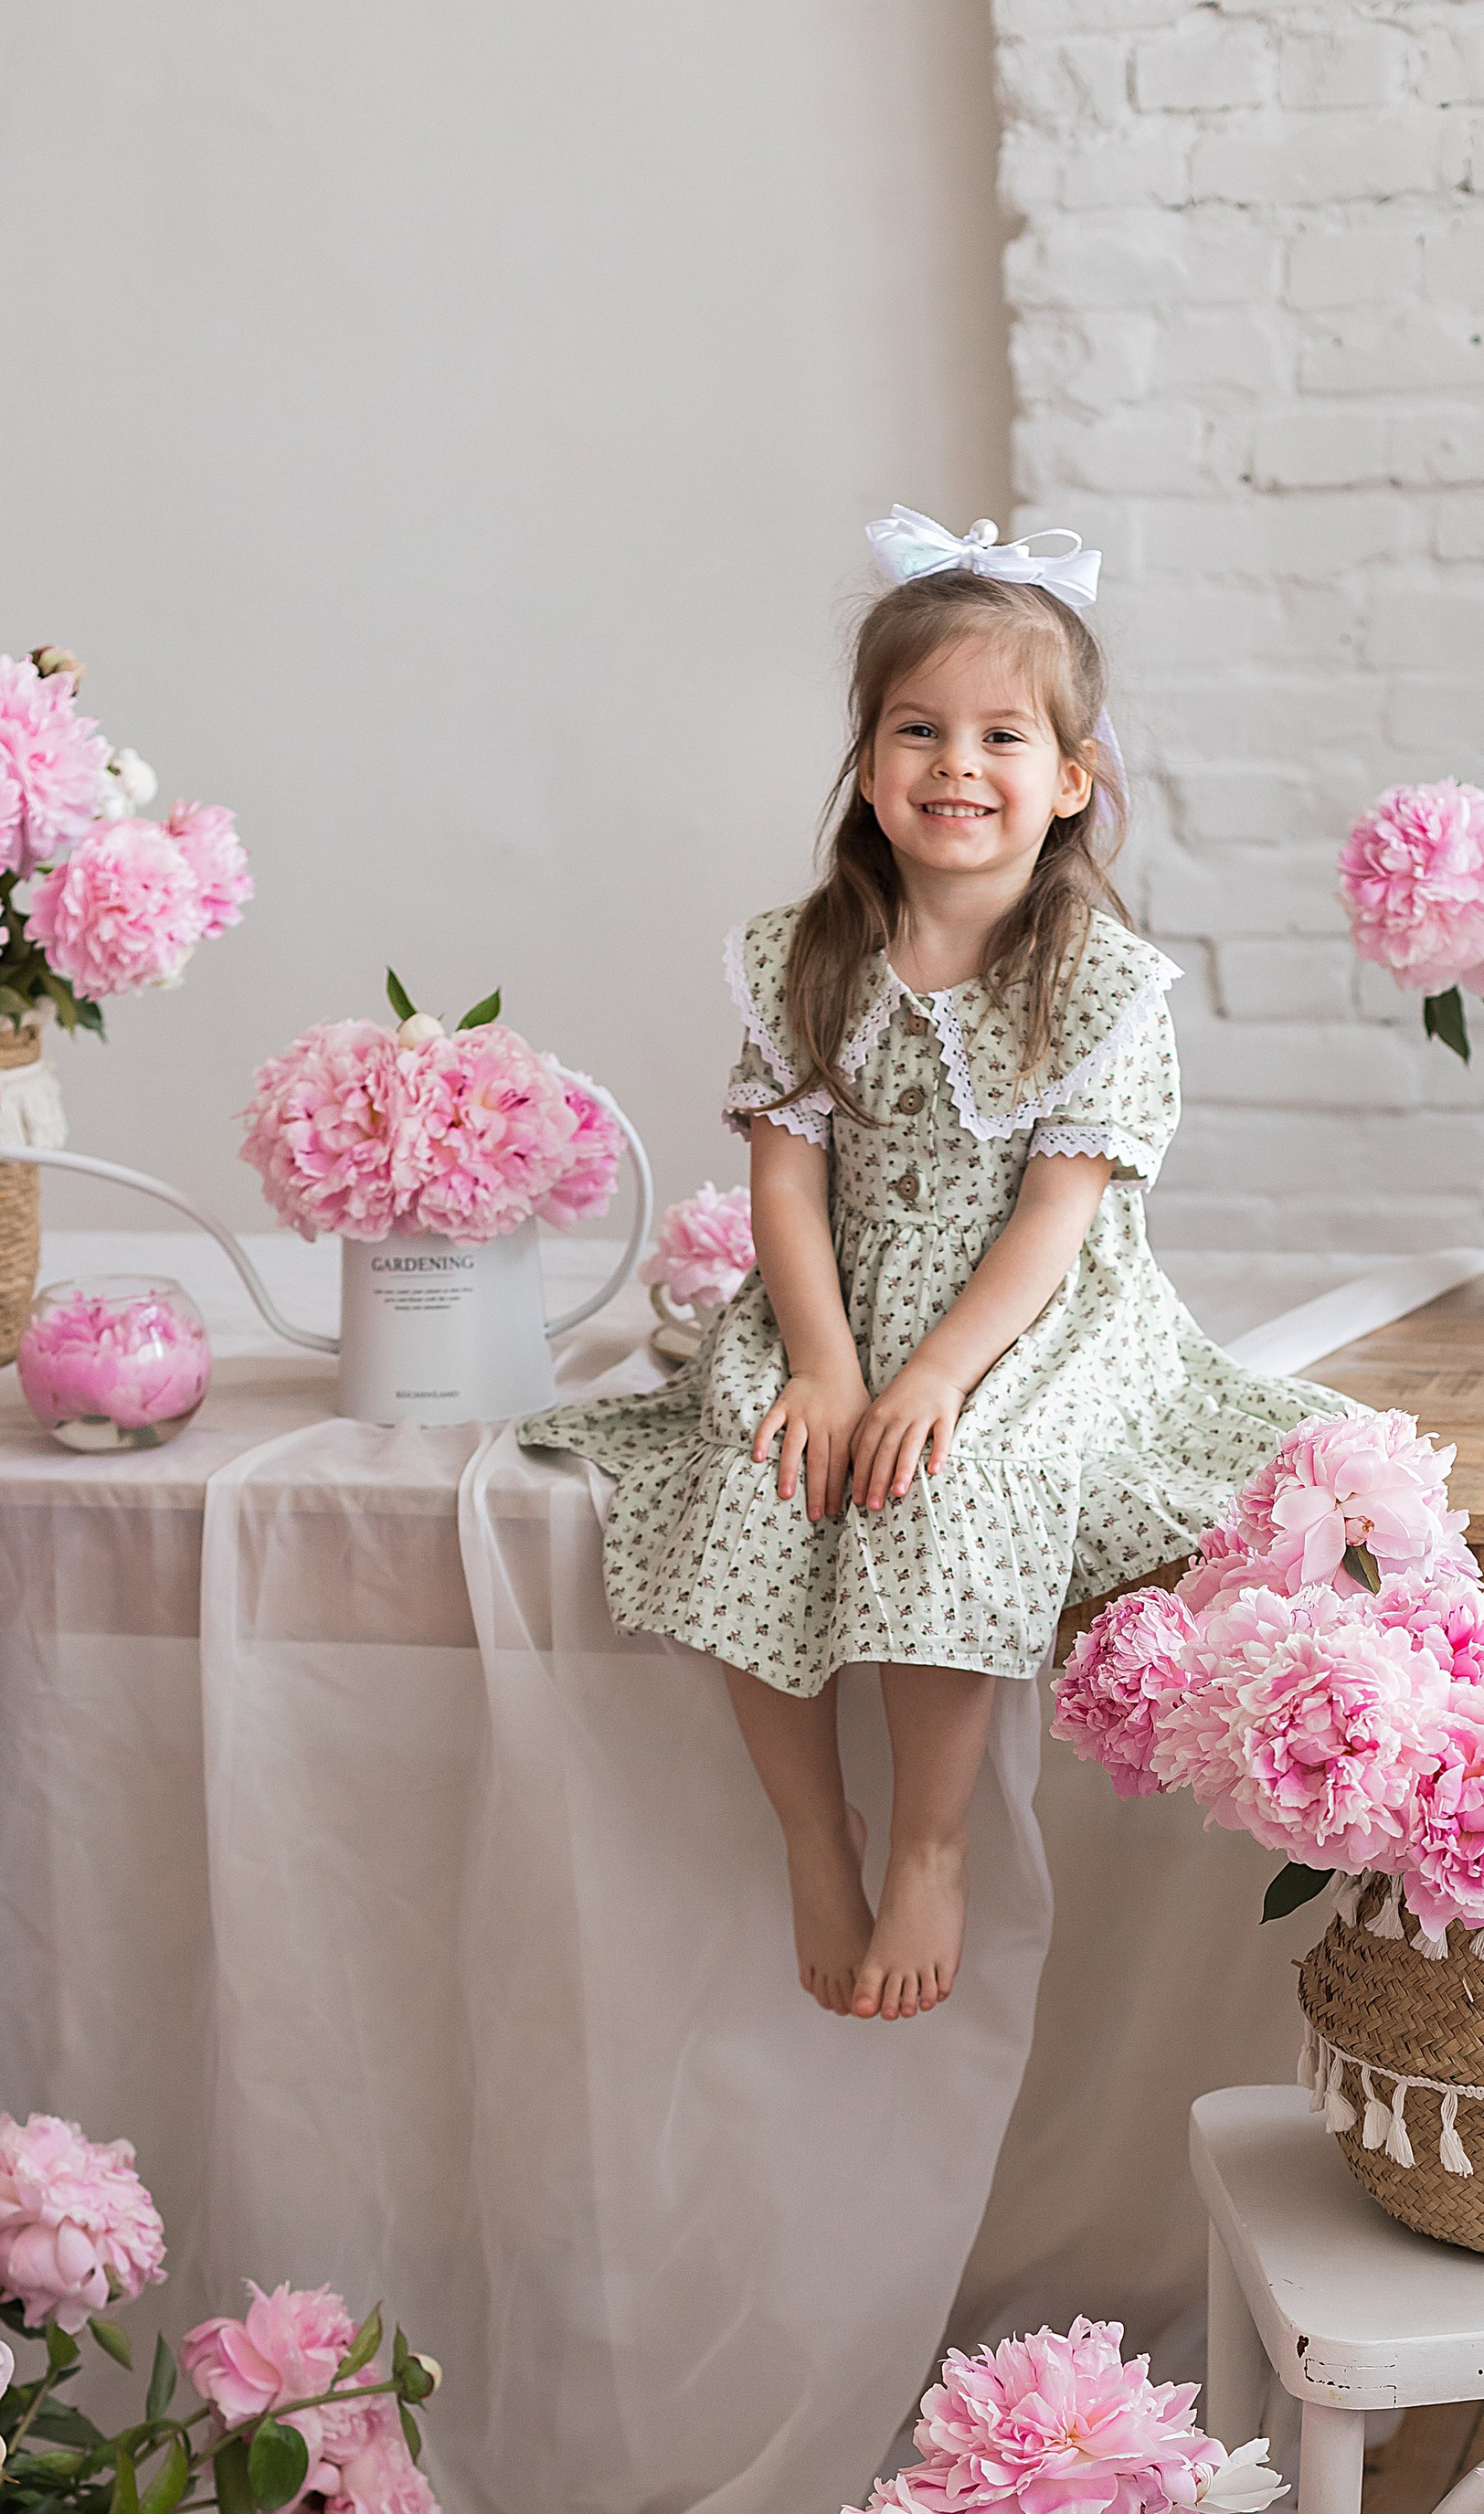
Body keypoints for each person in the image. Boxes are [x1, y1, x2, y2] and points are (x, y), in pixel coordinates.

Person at [521, 509, 1332, 2022]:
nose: (958, 765)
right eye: (917, 731)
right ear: (869, 767)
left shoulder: (1095, 979)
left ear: (1070, 780)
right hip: (839, 1287)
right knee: (761, 1466)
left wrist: (942, 1375)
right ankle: (810, 1826)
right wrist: (823, 1364)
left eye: (1002, 735)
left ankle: (934, 1840)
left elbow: (1055, 1218)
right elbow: (787, 1172)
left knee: (944, 1473)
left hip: (1030, 1314)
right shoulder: (807, 953)